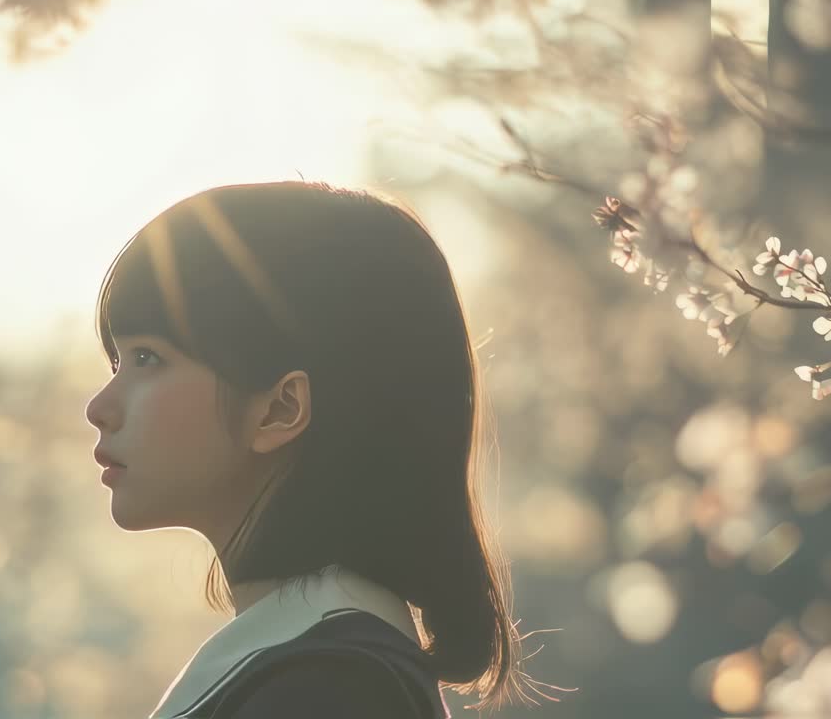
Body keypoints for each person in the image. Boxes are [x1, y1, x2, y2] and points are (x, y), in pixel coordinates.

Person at [84, 181, 522, 718]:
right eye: (117, 362)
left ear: (280, 408)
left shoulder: (328, 689)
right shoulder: (319, 670)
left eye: (147, 358)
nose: (98, 407)